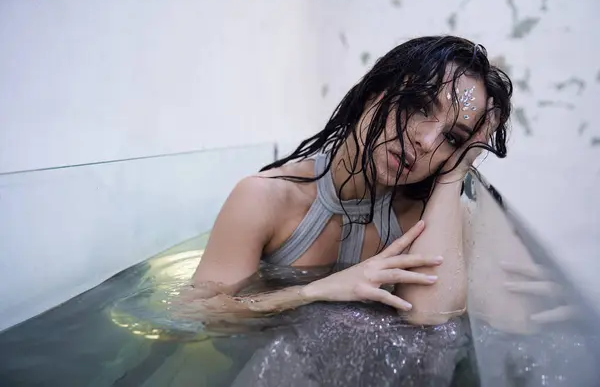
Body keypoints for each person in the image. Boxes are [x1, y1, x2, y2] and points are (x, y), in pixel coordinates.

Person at [189, 35, 513, 326]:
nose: (427, 142)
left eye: (453, 139)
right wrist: (312, 292)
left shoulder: (432, 217)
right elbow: (197, 314)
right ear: (374, 92)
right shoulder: (264, 198)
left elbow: (429, 318)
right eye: (418, 105)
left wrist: (453, 175)